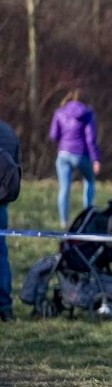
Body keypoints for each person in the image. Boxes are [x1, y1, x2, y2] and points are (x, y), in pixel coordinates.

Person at [49, 88, 101, 229]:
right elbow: (90, 139)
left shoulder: (59, 112)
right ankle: (87, 215)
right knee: (89, 181)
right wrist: (95, 159)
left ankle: (63, 221)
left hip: (63, 154)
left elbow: (54, 135)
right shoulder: (88, 113)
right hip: (80, 154)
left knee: (64, 187)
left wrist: (64, 142)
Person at [0, 119, 20, 322]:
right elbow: (16, 166)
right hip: (1, 202)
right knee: (1, 255)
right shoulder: (8, 130)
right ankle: (5, 307)